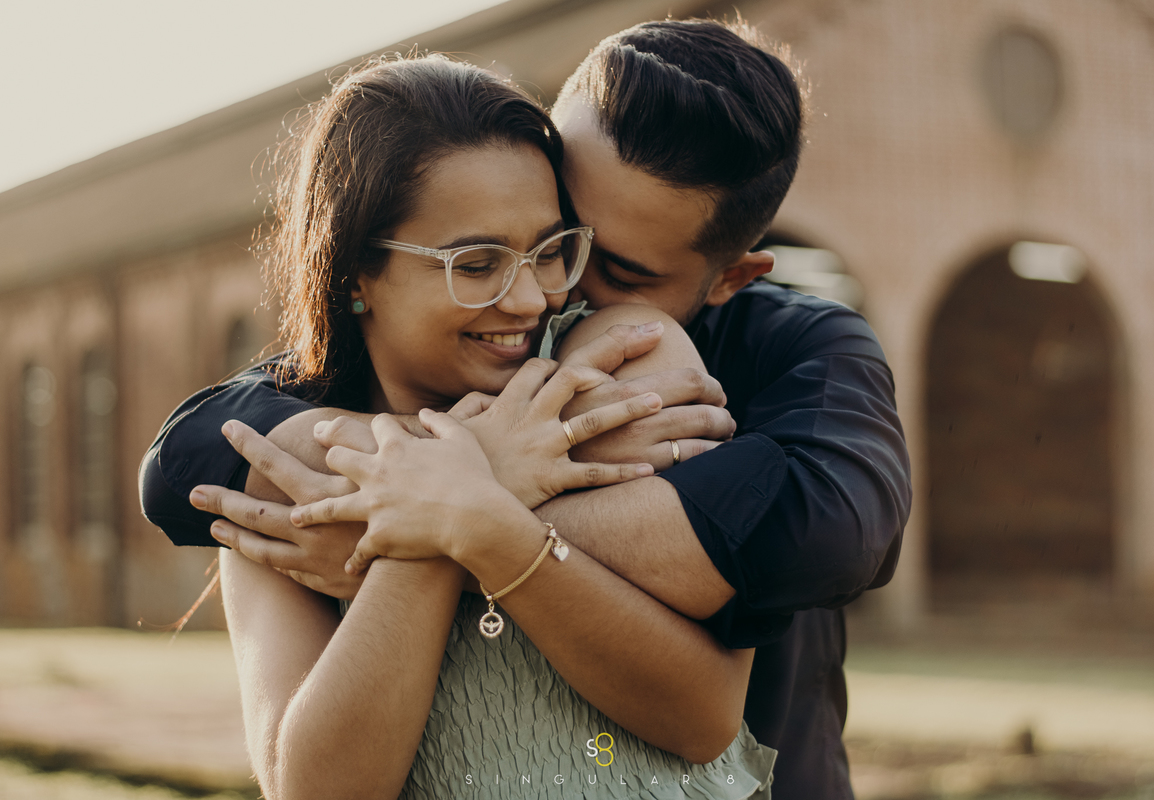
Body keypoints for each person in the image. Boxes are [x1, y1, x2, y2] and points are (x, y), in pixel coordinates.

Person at [141, 19, 912, 799]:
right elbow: (177, 467)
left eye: (565, 253)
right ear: (352, 274)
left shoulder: (688, 354)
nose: (543, 295)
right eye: (477, 261)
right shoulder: (283, 459)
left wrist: (464, 510)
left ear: (727, 278)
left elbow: (819, 537)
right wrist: (457, 481)